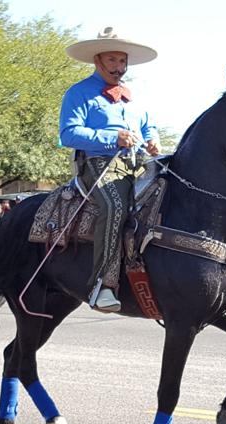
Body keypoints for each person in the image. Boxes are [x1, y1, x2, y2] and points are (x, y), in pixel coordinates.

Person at [59, 27, 159, 312]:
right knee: (115, 206)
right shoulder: (79, 93)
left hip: (137, 163)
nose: (119, 67)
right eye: (113, 60)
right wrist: (112, 138)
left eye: (122, 61)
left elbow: (148, 126)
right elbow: (68, 134)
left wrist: (153, 141)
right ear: (98, 61)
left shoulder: (133, 97)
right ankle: (103, 284)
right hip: (98, 164)